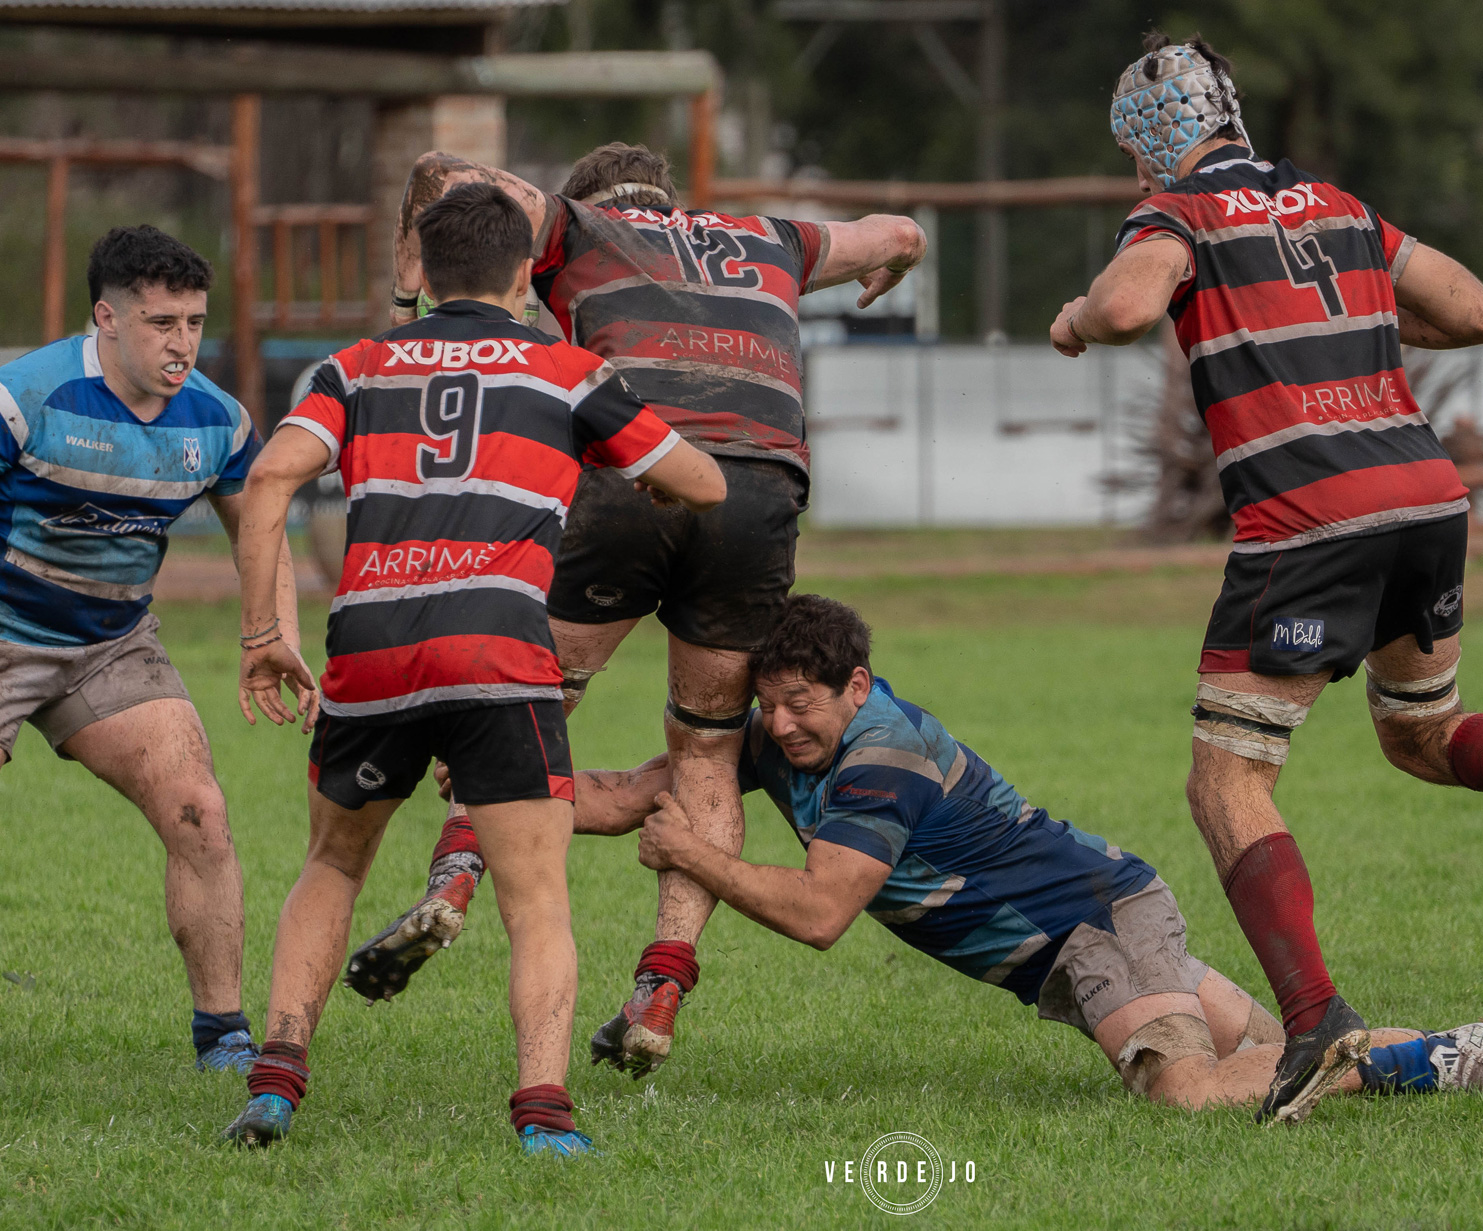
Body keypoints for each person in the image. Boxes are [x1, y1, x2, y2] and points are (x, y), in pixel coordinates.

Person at [1047, 31, 1483, 1122]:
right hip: (1422, 492)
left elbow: (1122, 307)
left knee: (1226, 780)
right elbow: (1480, 312)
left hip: (1308, 513)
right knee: (1419, 732)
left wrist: (1074, 319)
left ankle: (1313, 1019)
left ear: (1150, 147)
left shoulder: (1178, 213)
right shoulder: (1340, 207)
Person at [455, 595, 1483, 1120]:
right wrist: (507, 794)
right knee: (1281, 1056)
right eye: (767, 705)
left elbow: (823, 913)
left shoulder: (878, 759)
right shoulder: (787, 740)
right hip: (1097, 914)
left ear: (858, 688)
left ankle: (1459, 1060)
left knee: (1185, 1096)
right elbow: (636, 795)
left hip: (1090, 926)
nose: (779, 726)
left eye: (803, 704)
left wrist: (701, 865)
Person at [343, 142, 928, 1078]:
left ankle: (453, 881)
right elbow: (897, 230)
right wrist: (897, 261)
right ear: (670, 197)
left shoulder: (579, 231)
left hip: (635, 472)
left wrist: (407, 291)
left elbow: (445, 169)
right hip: (757, 491)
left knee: (526, 708)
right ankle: (661, 987)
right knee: (707, 748)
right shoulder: (768, 237)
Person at [220, 184, 726, 1155]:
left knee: (332, 862)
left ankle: (277, 1081)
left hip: (371, 647)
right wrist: (608, 460)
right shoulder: (569, 371)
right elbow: (699, 481)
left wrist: (258, 633)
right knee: (535, 897)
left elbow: (270, 477)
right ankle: (543, 1115)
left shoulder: (355, 365)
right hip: (500, 651)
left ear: (423, 267)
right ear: (522, 271)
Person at [0, 225, 301, 1074]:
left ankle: (224, 1036)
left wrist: (269, 635)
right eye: (162, 323)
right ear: (106, 317)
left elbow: (262, 536)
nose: (182, 344)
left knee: (198, 810)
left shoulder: (217, 421)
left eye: (195, 323)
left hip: (112, 643)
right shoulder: (25, 397)